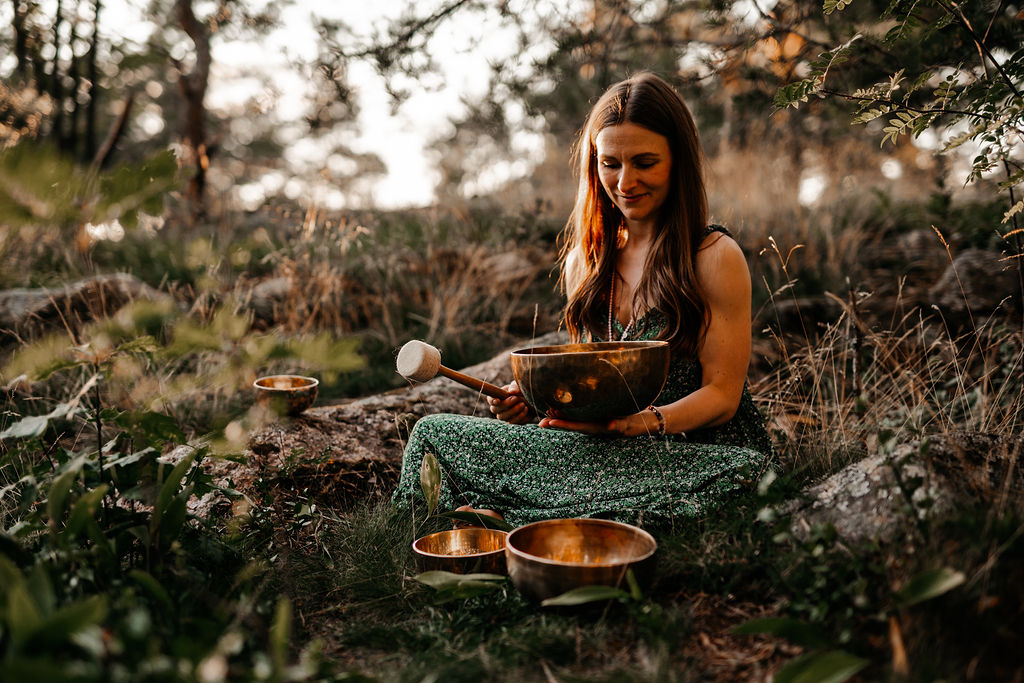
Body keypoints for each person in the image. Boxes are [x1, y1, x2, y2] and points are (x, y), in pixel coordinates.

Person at [392, 72, 773, 528]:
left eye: (644, 162)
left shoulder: (712, 256)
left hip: (685, 451)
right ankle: (554, 517)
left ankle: (508, 518)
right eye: (609, 163)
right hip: (598, 452)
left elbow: (723, 398)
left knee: (747, 476)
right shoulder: (586, 263)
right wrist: (536, 404)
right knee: (435, 434)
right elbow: (589, 389)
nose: (625, 181)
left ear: (678, 162)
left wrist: (633, 425)